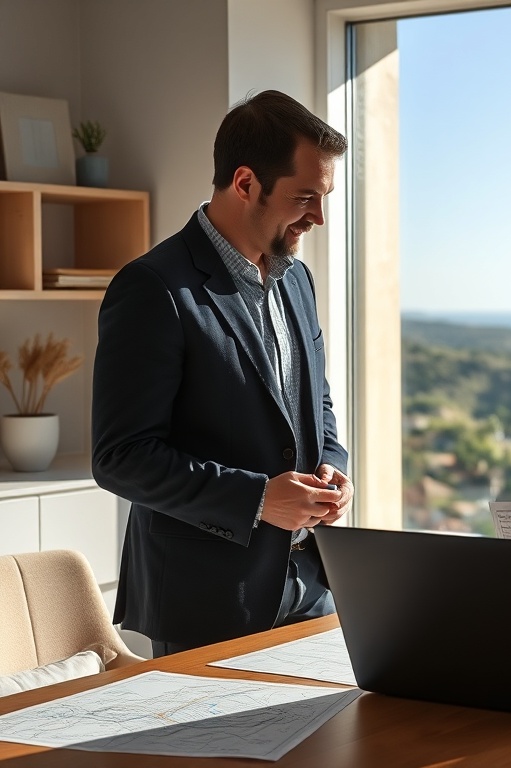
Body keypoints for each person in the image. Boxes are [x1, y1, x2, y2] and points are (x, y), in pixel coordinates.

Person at [91, 90, 354, 658]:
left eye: (324, 197)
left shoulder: (297, 281)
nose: (319, 217)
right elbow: (122, 458)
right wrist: (259, 499)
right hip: (207, 603)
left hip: (312, 588)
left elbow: (316, 403)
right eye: (305, 197)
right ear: (244, 183)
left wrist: (333, 466)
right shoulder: (152, 289)